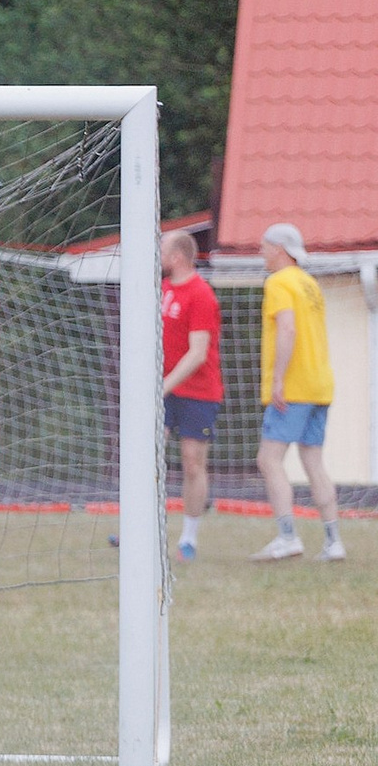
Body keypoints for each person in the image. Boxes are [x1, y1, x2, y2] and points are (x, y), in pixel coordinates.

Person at [252, 221, 343, 563]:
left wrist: (278, 380)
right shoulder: (310, 284)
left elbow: (287, 328)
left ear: (279, 249)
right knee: (313, 461)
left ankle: (287, 536)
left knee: (268, 459)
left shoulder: (279, 282)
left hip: (294, 387)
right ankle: (333, 541)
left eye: (263, 245)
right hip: (320, 384)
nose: (260, 251)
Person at [158, 230, 221, 561]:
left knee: (193, 464)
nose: (159, 254)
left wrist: (163, 386)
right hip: (166, 391)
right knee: (148, 455)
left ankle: (189, 539)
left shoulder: (201, 294)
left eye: (163, 248)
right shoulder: (164, 290)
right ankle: (140, 530)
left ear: (178, 256)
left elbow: (198, 353)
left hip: (198, 393)